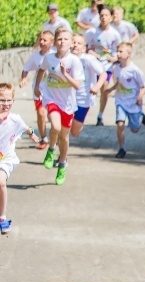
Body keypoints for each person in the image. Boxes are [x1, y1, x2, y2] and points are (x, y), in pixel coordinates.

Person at [34, 27, 84, 186]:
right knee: (55, 126)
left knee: (64, 137)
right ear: (55, 42)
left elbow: (77, 85)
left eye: (66, 39)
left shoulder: (74, 61)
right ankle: (50, 150)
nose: (62, 42)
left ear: (71, 42)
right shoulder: (49, 58)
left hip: (68, 104)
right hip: (51, 99)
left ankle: (62, 164)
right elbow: (41, 70)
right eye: (59, 39)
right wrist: (37, 87)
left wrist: (65, 73)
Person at [0, 83, 42, 235]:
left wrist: (32, 135)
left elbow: (26, 127)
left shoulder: (15, 119)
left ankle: (2, 218)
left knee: (1, 182)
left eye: (8, 100)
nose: (5, 104)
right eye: (2, 100)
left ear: (13, 101)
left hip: (6, 159)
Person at [107, 42, 145, 159]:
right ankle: (122, 148)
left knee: (135, 129)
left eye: (121, 51)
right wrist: (110, 90)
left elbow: (143, 86)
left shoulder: (135, 70)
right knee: (120, 124)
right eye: (117, 51)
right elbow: (118, 83)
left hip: (133, 103)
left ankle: (140, 117)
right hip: (120, 101)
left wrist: (140, 97)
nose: (118, 54)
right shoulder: (115, 68)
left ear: (129, 54)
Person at [85, 5, 121, 125]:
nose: (104, 18)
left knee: (104, 89)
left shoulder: (115, 34)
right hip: (93, 65)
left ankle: (100, 115)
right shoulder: (92, 32)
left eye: (106, 15)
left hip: (107, 66)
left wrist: (115, 57)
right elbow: (86, 48)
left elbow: (119, 51)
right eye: (101, 15)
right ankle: (83, 113)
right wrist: (91, 52)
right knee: (89, 89)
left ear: (111, 17)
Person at [19, 30, 53, 149]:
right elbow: (26, 68)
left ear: (51, 42)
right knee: (41, 113)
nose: (42, 42)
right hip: (39, 89)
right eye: (40, 39)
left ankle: (56, 137)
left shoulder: (55, 55)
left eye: (45, 40)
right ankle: (43, 139)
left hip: (53, 91)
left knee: (53, 116)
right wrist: (23, 78)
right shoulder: (35, 56)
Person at [70, 33, 105, 138]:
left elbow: (103, 74)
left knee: (74, 133)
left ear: (84, 48)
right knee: (62, 127)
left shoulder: (88, 59)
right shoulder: (65, 58)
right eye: (73, 42)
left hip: (83, 99)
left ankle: (76, 126)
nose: (75, 45)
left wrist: (97, 87)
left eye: (79, 43)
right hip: (67, 98)